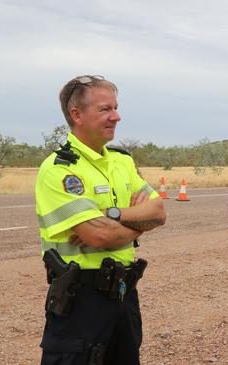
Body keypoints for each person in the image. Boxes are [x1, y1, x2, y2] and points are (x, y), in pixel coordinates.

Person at [35, 75, 166, 364]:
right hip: (80, 301)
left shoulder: (122, 161)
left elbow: (158, 213)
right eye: (105, 109)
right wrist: (138, 224)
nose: (116, 116)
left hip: (124, 296)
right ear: (77, 114)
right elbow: (100, 237)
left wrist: (111, 216)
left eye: (115, 108)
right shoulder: (59, 169)